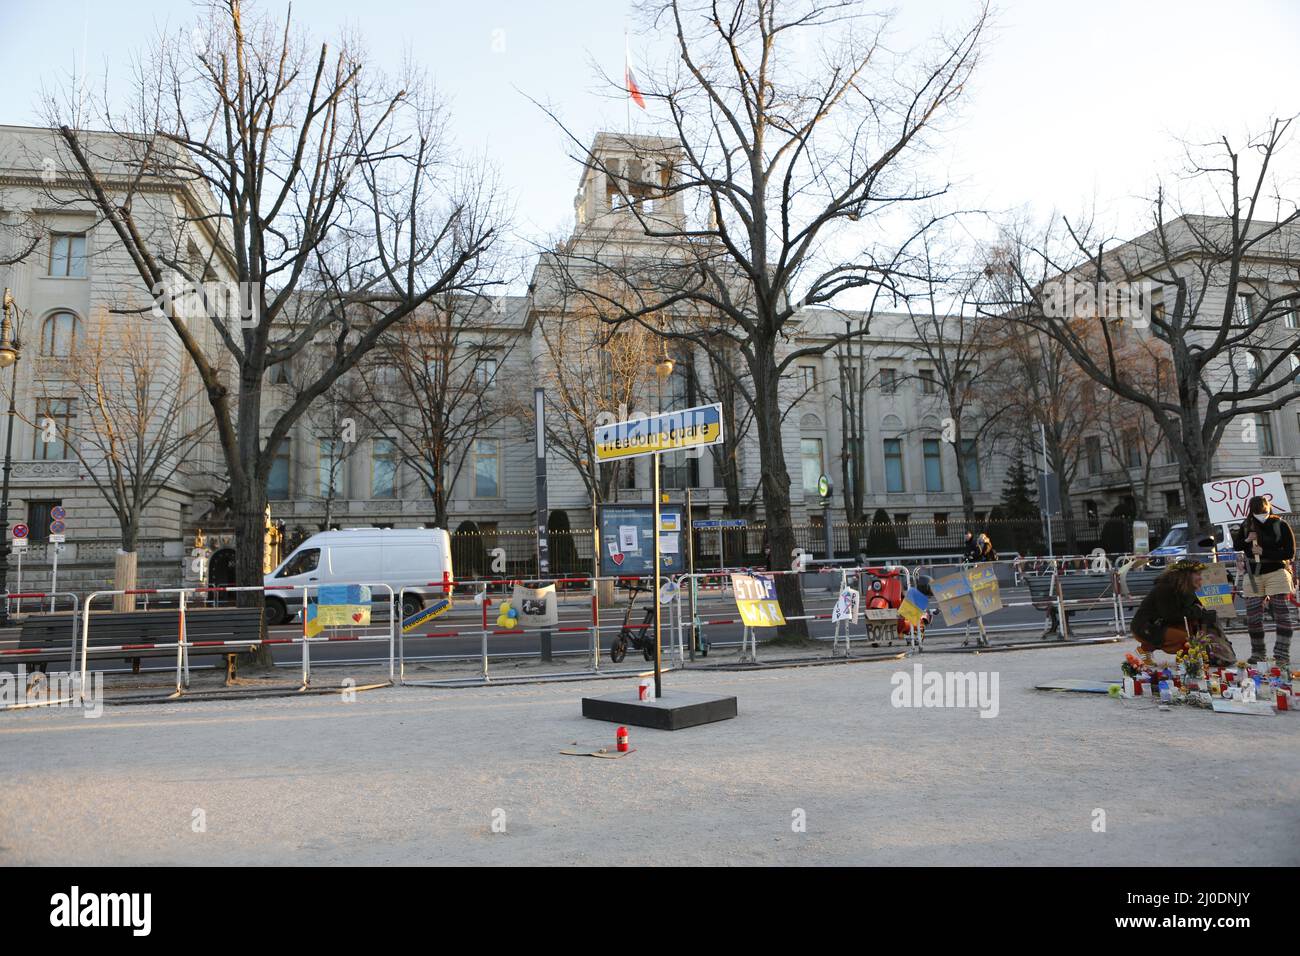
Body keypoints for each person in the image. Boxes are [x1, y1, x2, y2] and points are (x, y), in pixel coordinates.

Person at [1129, 559, 1235, 664]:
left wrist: (1200, 612)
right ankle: (1182, 658)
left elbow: (1197, 609)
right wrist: (1197, 610)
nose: (1200, 577)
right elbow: (1171, 615)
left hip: (1160, 624)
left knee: (1193, 633)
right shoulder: (1165, 589)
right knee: (1186, 639)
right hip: (1145, 627)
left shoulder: (1186, 590)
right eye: (1197, 574)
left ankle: (1145, 649)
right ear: (1187, 575)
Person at [1230, 495, 1295, 667]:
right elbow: (1237, 546)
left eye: (1262, 508)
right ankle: (1258, 653)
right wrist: (1246, 540)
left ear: (1268, 507)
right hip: (1253, 574)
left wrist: (1264, 551)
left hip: (1276, 571)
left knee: (1281, 612)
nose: (1260, 511)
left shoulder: (1280, 525)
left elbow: (1289, 553)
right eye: (1256, 508)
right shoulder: (1246, 525)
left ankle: (1282, 655)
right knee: (1253, 615)